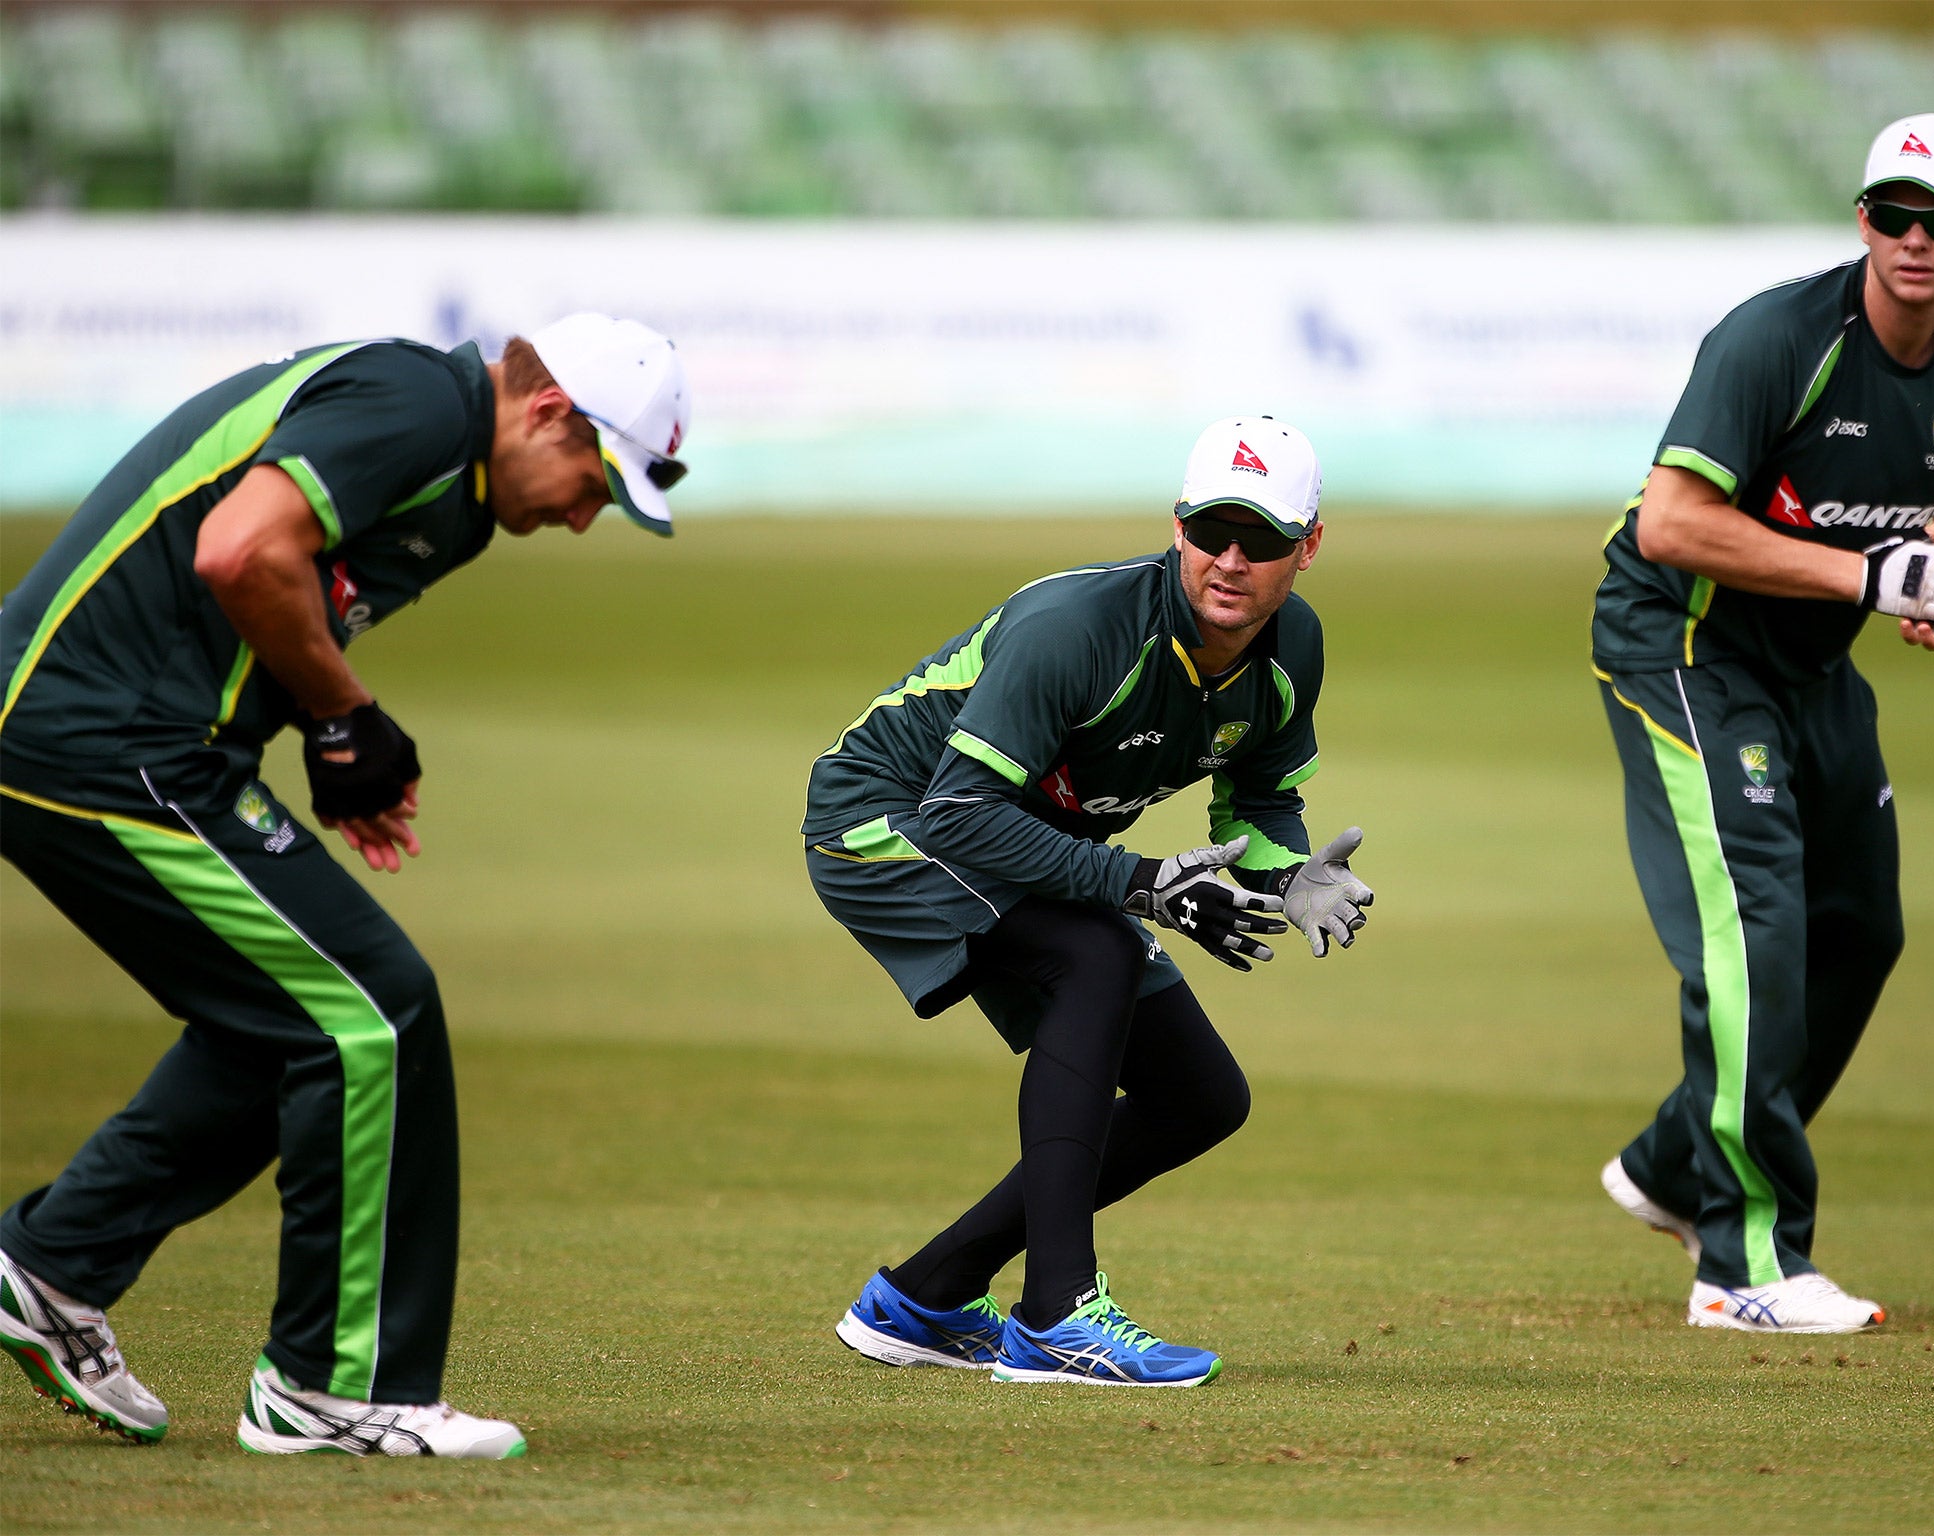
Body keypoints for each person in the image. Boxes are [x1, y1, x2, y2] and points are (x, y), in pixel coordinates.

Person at [0, 314, 691, 1453]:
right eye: (591, 482)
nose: (580, 515)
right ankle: (332, 1387)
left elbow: (256, 607)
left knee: (283, 1024)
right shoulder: (420, 408)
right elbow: (237, 551)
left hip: (140, 744)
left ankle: (50, 1267)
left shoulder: (462, 484)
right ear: (548, 411)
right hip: (101, 740)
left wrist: (333, 746)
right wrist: (344, 716)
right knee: (372, 1014)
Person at [805, 416, 1374, 1386]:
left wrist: (1286, 874)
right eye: (1209, 531)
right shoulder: (1077, 629)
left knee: (1199, 1097)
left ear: (1309, 546)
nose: (1230, 561)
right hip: (883, 825)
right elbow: (955, 812)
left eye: (1265, 540)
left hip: (1009, 842)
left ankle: (926, 1294)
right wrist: (1139, 883)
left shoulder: (1291, 651)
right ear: (1177, 525)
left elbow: (1261, 793)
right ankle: (1055, 1316)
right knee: (1096, 955)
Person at [1591, 114, 1934, 1333]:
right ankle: (1742, 1268)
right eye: (1889, 214)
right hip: (1679, 641)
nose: (1910, 239)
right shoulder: (1776, 339)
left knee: (1860, 929)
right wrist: (1872, 580)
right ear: (1860, 221)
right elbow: (1670, 523)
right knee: (1756, 925)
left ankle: (1678, 1164)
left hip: (1807, 661)